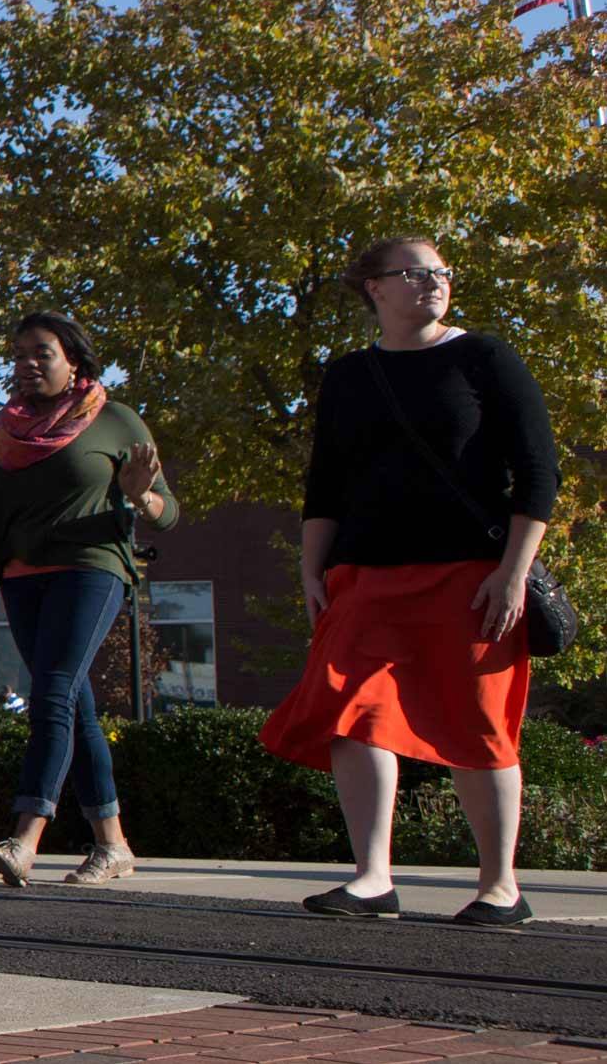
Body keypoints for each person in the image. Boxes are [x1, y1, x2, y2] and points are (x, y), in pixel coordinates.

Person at [260, 236, 557, 927]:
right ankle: (372, 877)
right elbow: (326, 480)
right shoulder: (348, 376)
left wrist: (513, 573)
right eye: (413, 272)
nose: (432, 282)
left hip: (472, 576)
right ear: (374, 289)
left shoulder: (486, 358)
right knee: (353, 710)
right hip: (367, 573)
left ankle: (501, 885)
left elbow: (538, 473)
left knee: (477, 721)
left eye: (440, 272)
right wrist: (312, 566)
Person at [0, 312, 176, 888]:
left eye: (42, 353)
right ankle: (113, 844)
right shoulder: (0, 431)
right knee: (73, 706)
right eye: (19, 354)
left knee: (52, 693)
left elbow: (168, 510)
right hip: (21, 577)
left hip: (92, 570)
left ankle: (25, 838)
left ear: (73, 360)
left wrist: (140, 498)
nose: (28, 364)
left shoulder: (114, 421)